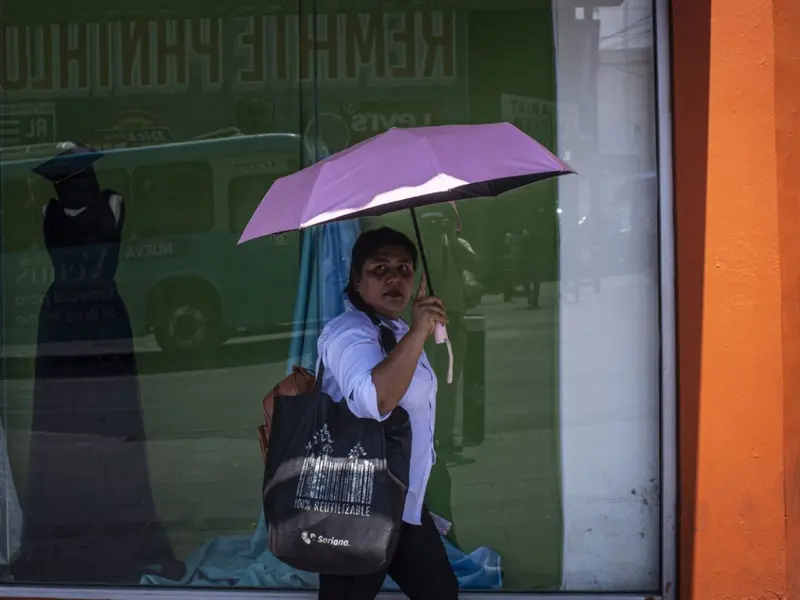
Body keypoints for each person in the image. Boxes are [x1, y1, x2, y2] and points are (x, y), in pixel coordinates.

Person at [315, 227, 459, 600]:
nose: (394, 277)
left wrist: (415, 331)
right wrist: (418, 333)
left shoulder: (394, 328)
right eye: (380, 268)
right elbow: (374, 401)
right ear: (357, 281)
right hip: (359, 506)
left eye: (404, 268)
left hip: (404, 502)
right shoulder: (347, 333)